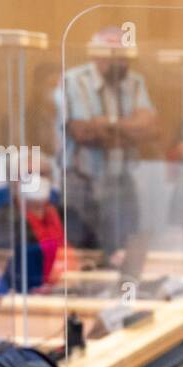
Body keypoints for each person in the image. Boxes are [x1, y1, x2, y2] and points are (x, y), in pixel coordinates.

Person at [58, 26, 159, 255]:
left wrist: (107, 123)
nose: (122, 63)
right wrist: (129, 128)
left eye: (125, 57)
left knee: (123, 250)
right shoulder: (73, 80)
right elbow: (83, 132)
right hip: (81, 180)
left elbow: (151, 129)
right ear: (97, 55)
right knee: (82, 251)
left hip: (121, 179)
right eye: (116, 57)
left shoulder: (134, 81)